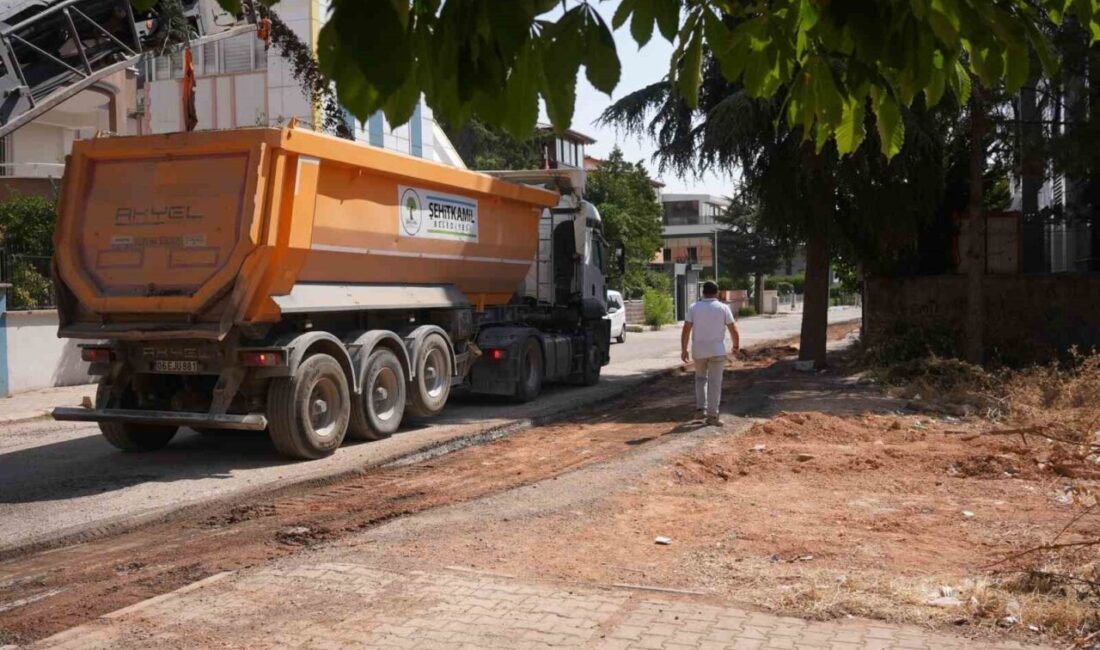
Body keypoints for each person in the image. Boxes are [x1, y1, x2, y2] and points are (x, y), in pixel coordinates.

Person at [680, 281, 740, 425]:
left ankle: (701, 409)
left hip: (699, 350)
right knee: (715, 383)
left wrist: (684, 349)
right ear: (717, 292)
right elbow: (733, 328)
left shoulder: (694, 308)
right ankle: (712, 416)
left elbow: (686, 329)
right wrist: (736, 345)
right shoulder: (723, 308)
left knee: (700, 379)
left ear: (703, 292)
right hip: (717, 351)